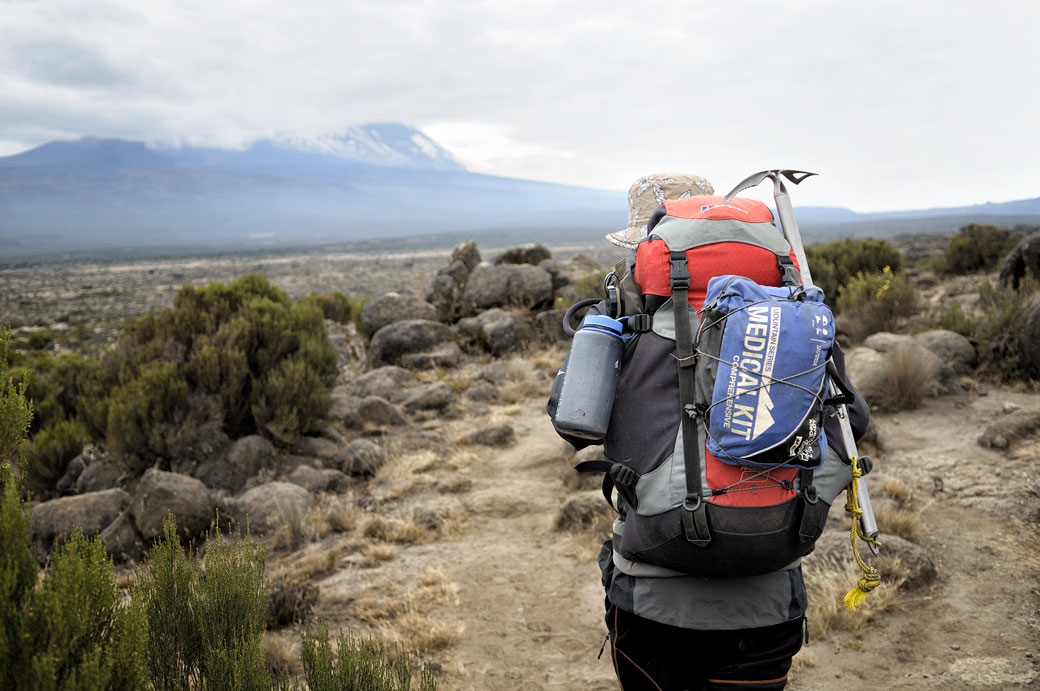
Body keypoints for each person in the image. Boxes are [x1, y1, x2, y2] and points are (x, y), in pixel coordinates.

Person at [550, 172, 869, 690]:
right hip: (770, 597)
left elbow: (573, 423)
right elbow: (852, 425)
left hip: (653, 603)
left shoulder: (624, 329)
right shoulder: (791, 321)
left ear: (650, 251)